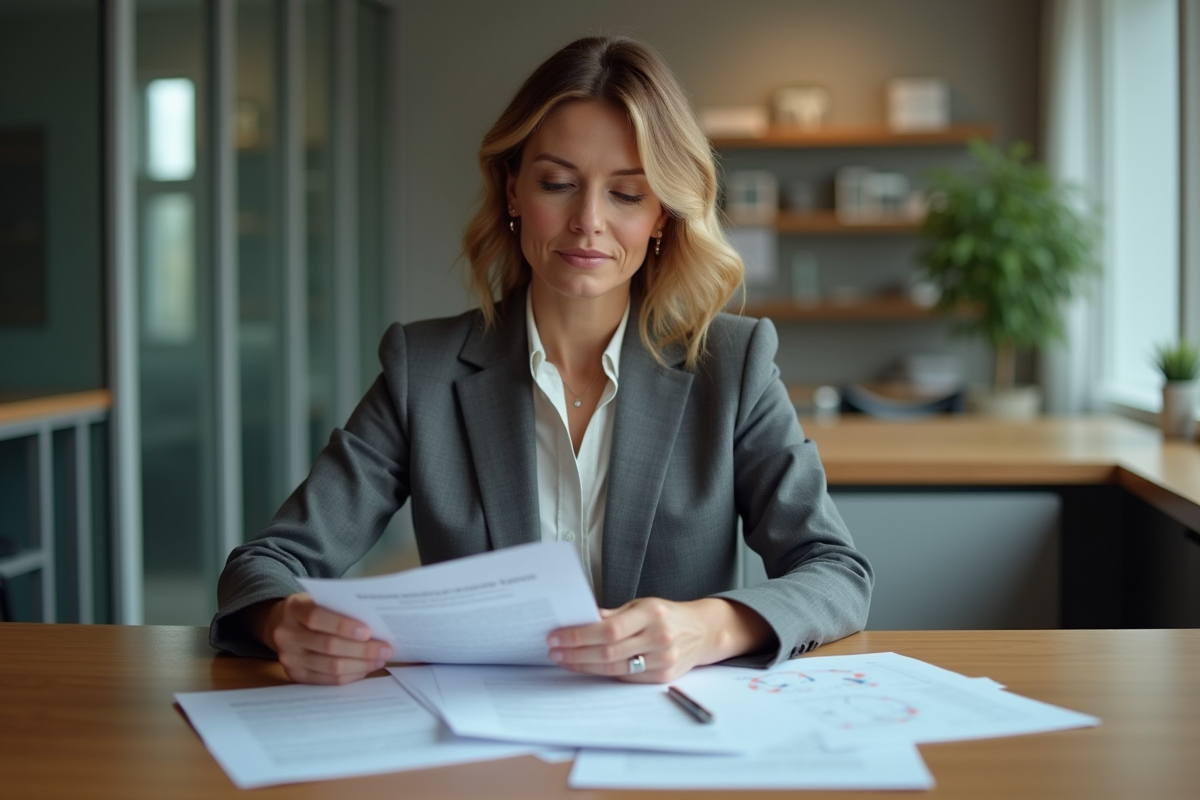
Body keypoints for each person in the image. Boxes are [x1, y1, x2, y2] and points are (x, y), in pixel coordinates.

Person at [210, 35, 872, 686]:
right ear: (512, 191)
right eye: (558, 183)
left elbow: (835, 571)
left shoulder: (732, 364)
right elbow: (265, 564)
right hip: (482, 734)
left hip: (670, 733)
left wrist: (710, 627)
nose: (588, 220)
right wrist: (284, 620)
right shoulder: (424, 369)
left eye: (627, 193)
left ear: (662, 216)